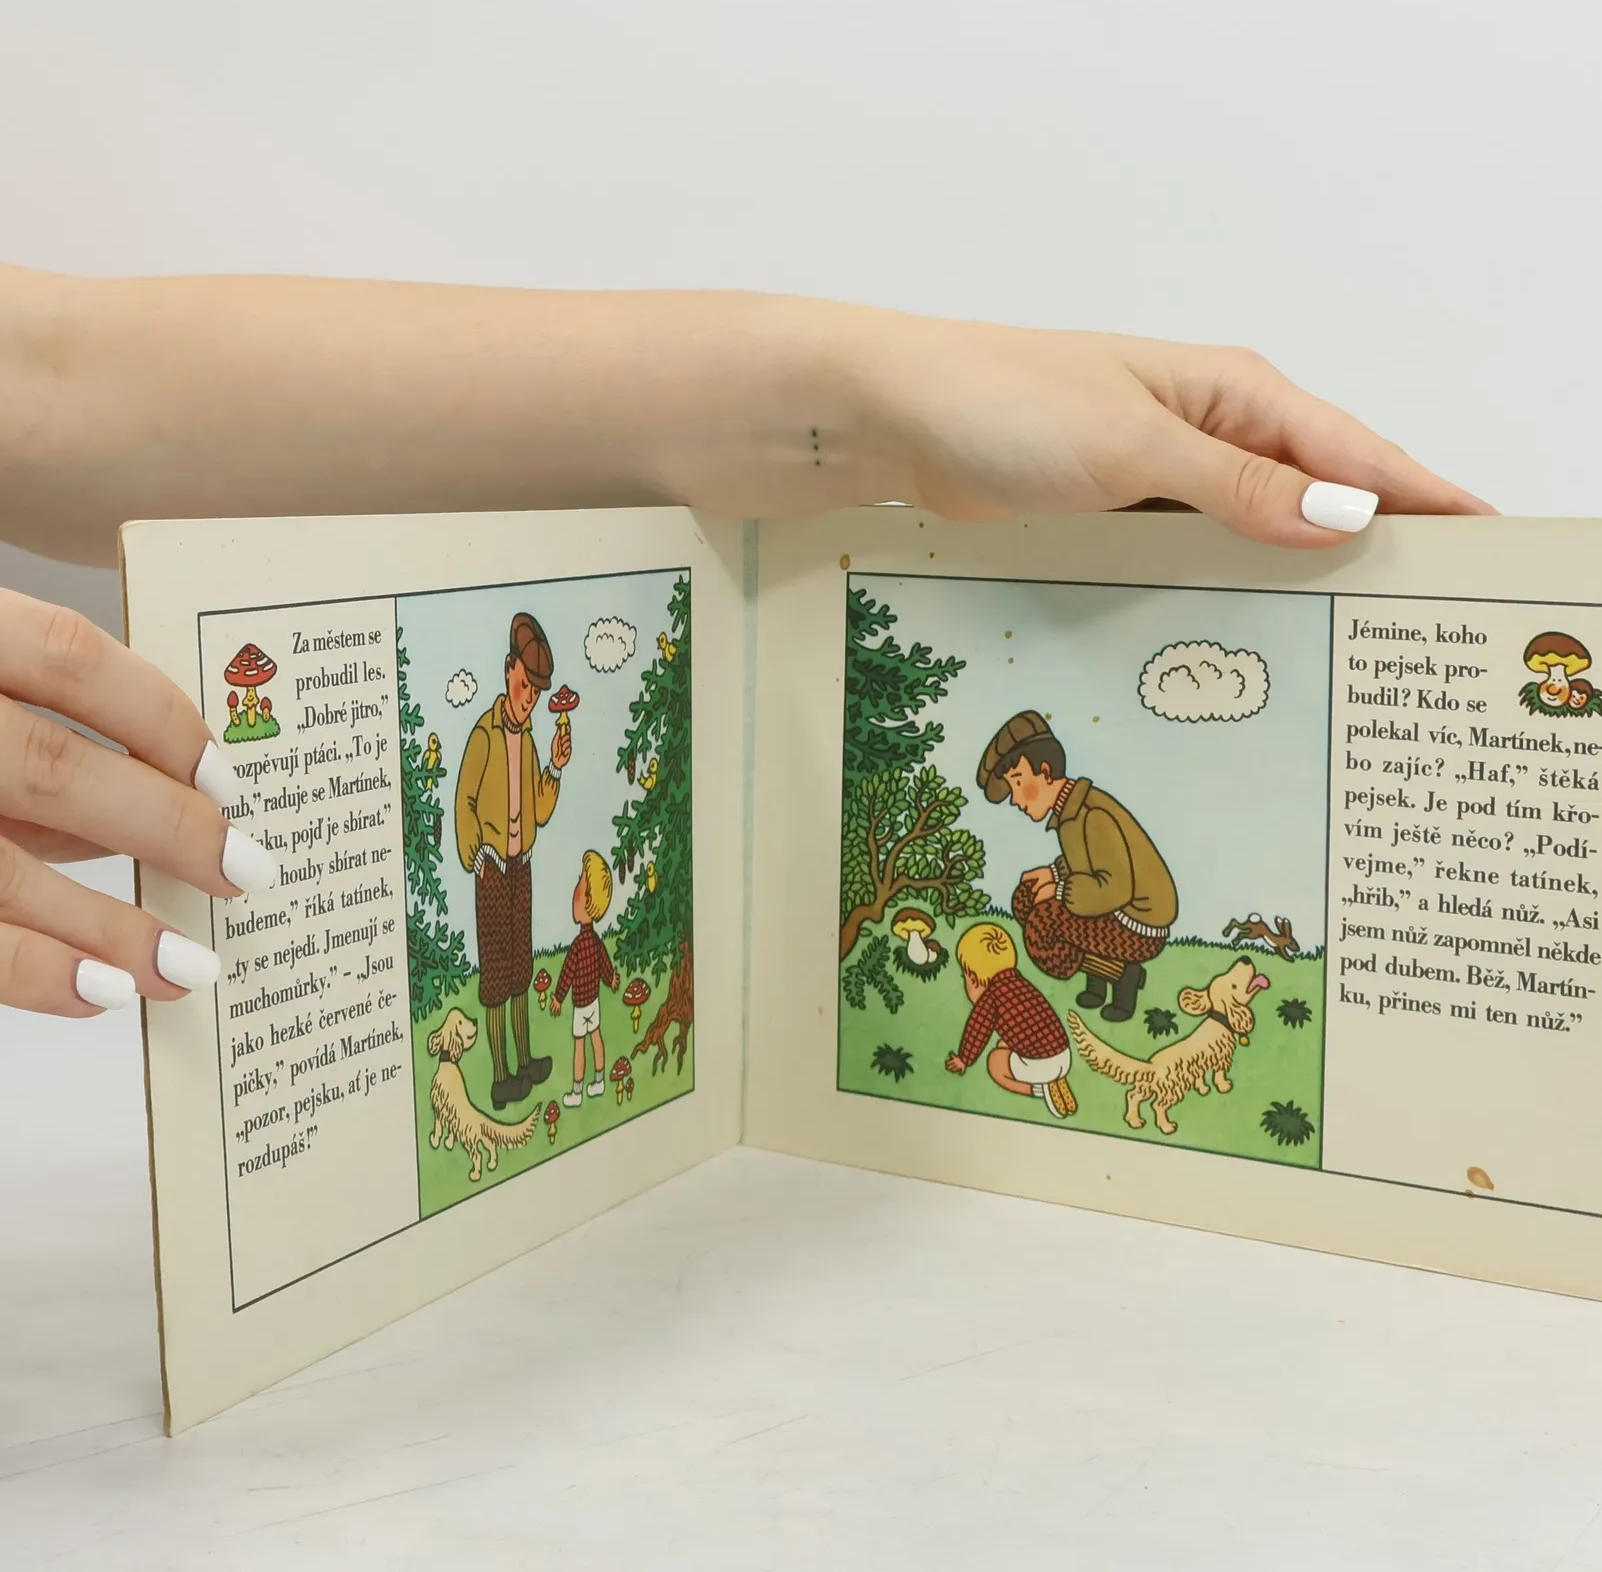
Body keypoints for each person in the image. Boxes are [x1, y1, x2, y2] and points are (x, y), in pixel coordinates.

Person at [0, 262, 1492, 1021]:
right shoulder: (493, 747)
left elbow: (50, 382)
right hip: (497, 865)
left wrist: (882, 400)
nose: (1026, 802)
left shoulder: (1088, 816)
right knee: (505, 970)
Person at [977, 711, 1174, 1024]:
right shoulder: (1071, 811)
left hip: (1138, 923)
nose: (1014, 799)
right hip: (1112, 908)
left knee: (1043, 924)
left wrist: (1057, 891)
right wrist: (1053, 874)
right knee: (1027, 898)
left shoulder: (1092, 815)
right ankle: (1098, 983)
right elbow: (1084, 864)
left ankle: (1123, 975)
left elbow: (1115, 888)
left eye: (1018, 783)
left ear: (1045, 771)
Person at [453, 611, 571, 1109]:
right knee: (497, 975)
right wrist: (477, 851)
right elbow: (464, 802)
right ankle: (501, 1075)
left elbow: (539, 809)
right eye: (524, 686)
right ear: (508, 672)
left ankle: (525, 1061)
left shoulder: (529, 739)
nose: (528, 700)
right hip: (493, 870)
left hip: (521, 867)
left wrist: (556, 767)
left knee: (522, 965)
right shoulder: (485, 735)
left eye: (535, 694)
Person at [944, 922, 1077, 1119]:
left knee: (995, 1062)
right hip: (1063, 1055)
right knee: (1003, 1043)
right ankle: (1055, 1078)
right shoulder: (1022, 984)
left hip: (1040, 1064)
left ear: (973, 978)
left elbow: (978, 1029)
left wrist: (964, 1059)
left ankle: (1039, 1089)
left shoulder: (991, 996)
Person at [552, 850, 618, 1106]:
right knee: (596, 1037)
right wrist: (611, 979)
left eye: (580, 882)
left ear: (587, 900)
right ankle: (599, 1081)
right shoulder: (596, 941)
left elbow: (567, 974)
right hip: (594, 1002)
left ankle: (577, 1092)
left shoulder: (579, 945)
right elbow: (605, 964)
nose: (574, 891)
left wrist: (558, 998)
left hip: (582, 1005)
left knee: (579, 1044)